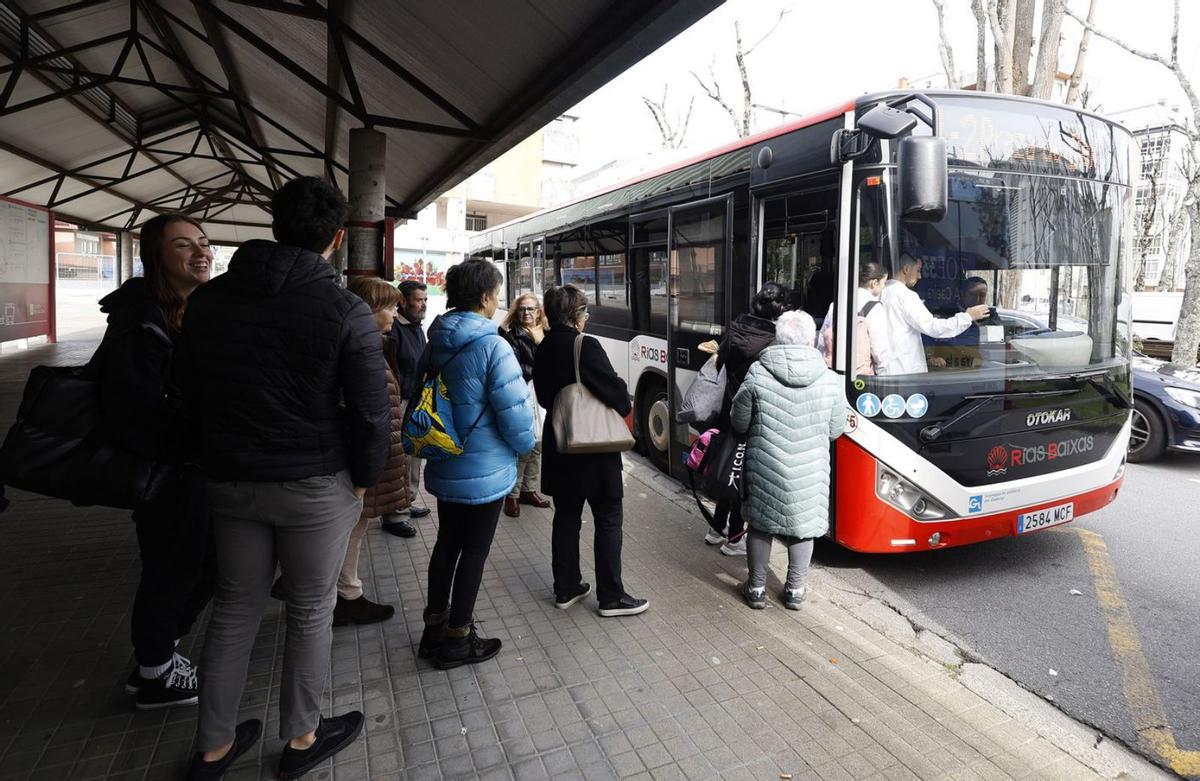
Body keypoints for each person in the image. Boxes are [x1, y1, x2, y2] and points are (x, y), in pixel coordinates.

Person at [180, 177, 390, 781]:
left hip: (230, 481)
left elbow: (190, 393)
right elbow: (372, 410)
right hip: (314, 483)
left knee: (235, 608)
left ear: (274, 225)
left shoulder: (211, 301)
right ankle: (301, 739)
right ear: (336, 238)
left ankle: (213, 748)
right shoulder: (344, 309)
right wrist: (361, 484)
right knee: (309, 611)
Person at [92, 213, 216, 711]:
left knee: (199, 562)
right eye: (184, 245)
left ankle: (157, 656)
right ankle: (155, 673)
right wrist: (188, 437)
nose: (200, 252)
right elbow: (133, 406)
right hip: (170, 470)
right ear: (157, 257)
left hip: (190, 463)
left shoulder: (190, 309)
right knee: (175, 566)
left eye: (204, 243)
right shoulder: (141, 318)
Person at [418, 259, 537, 670]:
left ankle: (433, 629)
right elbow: (518, 417)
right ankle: (458, 639)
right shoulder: (492, 345)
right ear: (486, 296)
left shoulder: (437, 337)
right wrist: (526, 446)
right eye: (496, 292)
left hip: (444, 457)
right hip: (484, 470)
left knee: (446, 543)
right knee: (474, 552)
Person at [534, 285, 649, 618]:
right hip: (594, 448)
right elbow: (615, 392)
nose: (586, 319)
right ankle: (611, 596)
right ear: (576, 315)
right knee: (608, 518)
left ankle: (566, 588)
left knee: (566, 517)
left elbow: (545, 398)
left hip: (561, 442)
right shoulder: (586, 345)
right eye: (585, 312)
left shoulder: (544, 347)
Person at [732, 310, 848, 610]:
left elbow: (739, 422)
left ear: (778, 338)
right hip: (810, 470)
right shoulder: (831, 380)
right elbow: (836, 430)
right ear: (811, 340)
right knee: (804, 526)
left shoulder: (758, 372)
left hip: (765, 465)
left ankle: (756, 589)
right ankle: (795, 591)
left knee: (760, 525)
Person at [332, 277, 411, 626]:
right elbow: (366, 415)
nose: (396, 313)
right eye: (391, 306)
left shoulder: (371, 345)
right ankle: (345, 595)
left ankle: (342, 589)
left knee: (355, 528)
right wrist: (364, 476)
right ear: (370, 309)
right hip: (361, 465)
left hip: (367, 461)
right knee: (353, 527)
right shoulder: (363, 351)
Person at [706, 282, 789, 555]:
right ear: (779, 310)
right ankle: (734, 539)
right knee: (743, 476)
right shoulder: (774, 340)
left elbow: (720, 364)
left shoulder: (735, 328)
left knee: (731, 466)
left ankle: (716, 529)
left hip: (729, 407)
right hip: (755, 414)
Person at [879, 254, 990, 374]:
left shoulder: (880, 293)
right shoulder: (906, 296)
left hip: (886, 367)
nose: (920, 276)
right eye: (918, 270)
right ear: (906, 269)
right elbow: (933, 328)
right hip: (903, 369)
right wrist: (968, 317)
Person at [382, 279, 431, 537]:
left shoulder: (415, 326)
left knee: (413, 456)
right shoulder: (395, 329)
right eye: (419, 300)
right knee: (399, 458)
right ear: (403, 301)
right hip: (400, 401)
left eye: (425, 299)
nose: (424, 304)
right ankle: (394, 514)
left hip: (415, 400)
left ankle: (407, 502)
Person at [500, 292, 551, 518]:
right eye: (522, 309)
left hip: (541, 394)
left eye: (531, 309)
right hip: (524, 393)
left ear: (539, 311)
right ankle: (512, 495)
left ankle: (528, 490)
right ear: (516, 312)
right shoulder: (511, 335)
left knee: (538, 445)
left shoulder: (547, 334)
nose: (527, 313)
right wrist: (540, 372)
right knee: (524, 446)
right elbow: (514, 367)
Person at [819, 261, 892, 376]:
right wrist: (883, 376)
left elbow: (822, 342)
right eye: (884, 283)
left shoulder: (836, 304)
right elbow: (879, 350)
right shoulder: (875, 307)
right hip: (862, 376)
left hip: (833, 373)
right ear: (874, 283)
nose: (884, 287)